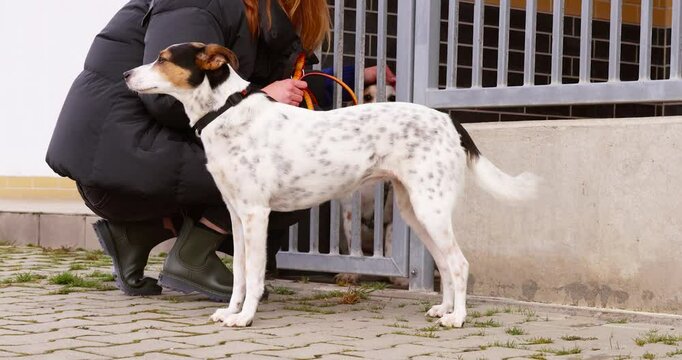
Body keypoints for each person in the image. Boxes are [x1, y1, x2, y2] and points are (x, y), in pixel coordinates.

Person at [46, 0, 332, 301]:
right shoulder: (198, 3)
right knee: (278, 172)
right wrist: (260, 98)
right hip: (117, 159)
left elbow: (260, 84)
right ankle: (191, 257)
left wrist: (355, 76)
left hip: (129, 160)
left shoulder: (257, 16)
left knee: (293, 164)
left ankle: (135, 237)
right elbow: (166, 103)